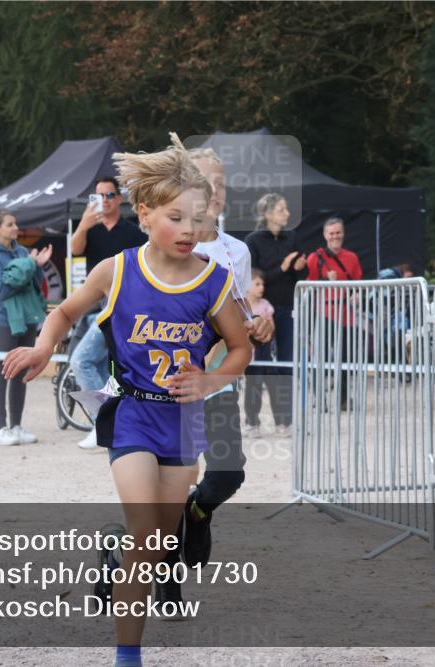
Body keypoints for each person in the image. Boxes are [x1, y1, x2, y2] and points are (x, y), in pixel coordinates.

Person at [2, 140, 251, 667]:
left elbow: (241, 347)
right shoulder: (117, 271)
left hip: (182, 425)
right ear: (145, 214)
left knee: (156, 546)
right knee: (147, 534)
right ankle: (127, 656)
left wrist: (209, 380)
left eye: (197, 218)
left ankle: (115, 559)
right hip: (134, 415)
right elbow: (64, 312)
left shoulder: (214, 280)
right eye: (175, 217)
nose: (188, 229)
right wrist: (44, 346)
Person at [150, 139, 275, 609]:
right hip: (170, 382)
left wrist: (261, 322)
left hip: (217, 378)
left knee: (227, 475)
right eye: (206, 183)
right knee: (171, 480)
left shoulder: (236, 251)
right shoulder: (159, 244)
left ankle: (197, 514)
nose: (215, 192)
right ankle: (168, 583)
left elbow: (242, 313)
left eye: (221, 185)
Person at [69, 176, 147, 450]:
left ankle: (103, 423)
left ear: (120, 198)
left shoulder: (132, 232)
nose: (104, 201)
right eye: (99, 196)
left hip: (120, 308)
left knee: (83, 361)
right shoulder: (90, 228)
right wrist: (83, 225)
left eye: (109, 195)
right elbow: (74, 251)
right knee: (94, 364)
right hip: (94, 305)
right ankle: (110, 422)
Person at [0, 209, 51, 446]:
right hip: (1, 319)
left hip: (26, 317)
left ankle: (17, 426)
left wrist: (36, 265)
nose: (15, 227)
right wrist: (28, 264)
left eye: (15, 223)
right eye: (9, 224)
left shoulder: (20, 251)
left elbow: (31, 282)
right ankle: (0, 428)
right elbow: (0, 290)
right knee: (2, 370)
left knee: (21, 371)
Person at [245, 193, 306, 436]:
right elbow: (254, 278)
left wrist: (301, 268)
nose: (287, 214)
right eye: (281, 209)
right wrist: (282, 268)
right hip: (261, 312)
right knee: (257, 367)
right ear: (267, 213)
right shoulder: (253, 240)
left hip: (287, 309)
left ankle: (285, 421)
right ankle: (253, 421)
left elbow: (299, 275)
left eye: (286, 209)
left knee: (286, 365)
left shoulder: (292, 237)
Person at [307, 217, 362, 408]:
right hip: (324, 313)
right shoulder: (315, 258)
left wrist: (357, 295)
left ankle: (343, 398)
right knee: (320, 358)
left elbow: (357, 283)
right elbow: (307, 286)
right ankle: (318, 397)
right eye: (331, 233)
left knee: (346, 358)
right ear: (325, 235)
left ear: (343, 233)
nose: (335, 236)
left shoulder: (352, 257)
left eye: (338, 232)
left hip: (347, 315)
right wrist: (324, 279)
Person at [243, 269, 279, 436]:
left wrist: (265, 328)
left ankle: (282, 423)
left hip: (266, 352)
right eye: (257, 284)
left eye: (262, 284)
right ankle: (252, 422)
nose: (261, 287)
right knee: (253, 388)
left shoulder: (265, 305)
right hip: (250, 354)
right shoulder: (240, 305)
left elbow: (271, 326)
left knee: (274, 386)